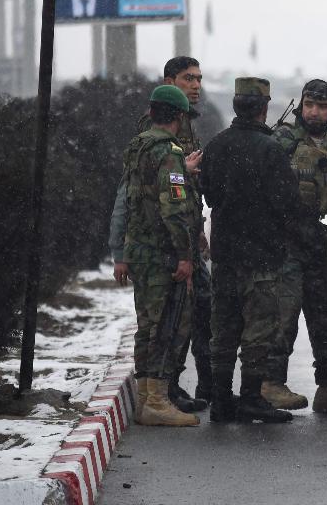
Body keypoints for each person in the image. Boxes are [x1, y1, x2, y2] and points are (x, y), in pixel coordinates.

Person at [200, 77, 313, 424]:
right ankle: (250, 398)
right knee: (258, 331)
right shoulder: (271, 150)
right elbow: (288, 204)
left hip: (225, 255)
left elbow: (210, 197)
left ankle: (220, 400)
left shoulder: (216, 146)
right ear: (264, 108)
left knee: (224, 329)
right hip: (261, 257)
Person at [110, 56, 212, 414]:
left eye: (199, 78)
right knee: (165, 323)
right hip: (163, 247)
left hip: (156, 244)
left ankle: (162, 391)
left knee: (168, 320)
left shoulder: (154, 138)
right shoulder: (161, 141)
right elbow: (155, 199)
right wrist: (185, 251)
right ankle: (158, 395)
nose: (196, 85)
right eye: (189, 78)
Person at [267, 79, 327, 415]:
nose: (314, 112)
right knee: (283, 314)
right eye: (309, 105)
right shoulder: (282, 140)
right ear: (301, 106)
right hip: (288, 242)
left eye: (321, 106)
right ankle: (271, 384)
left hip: (324, 243)